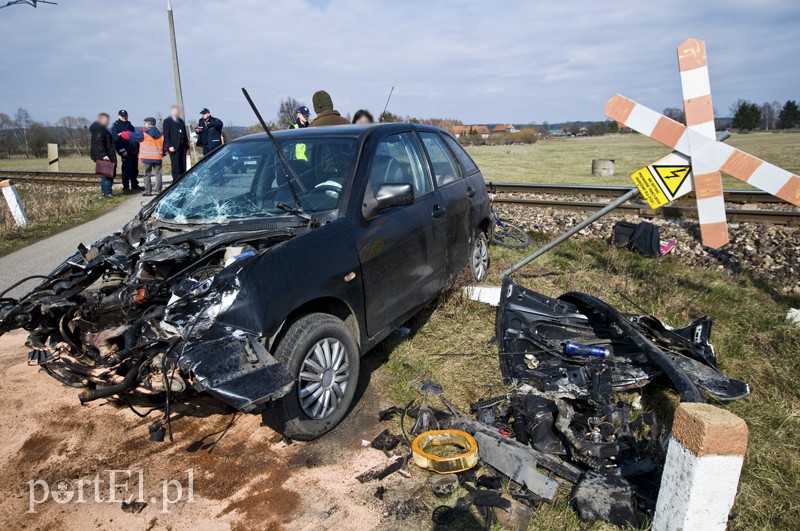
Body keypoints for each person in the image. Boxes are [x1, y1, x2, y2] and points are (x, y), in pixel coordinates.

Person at [118, 117, 165, 197]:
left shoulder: (143, 134)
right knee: (158, 174)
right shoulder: (161, 135)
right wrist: (162, 153)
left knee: (147, 175)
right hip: (157, 158)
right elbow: (165, 146)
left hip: (147, 158)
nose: (145, 124)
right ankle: (158, 191)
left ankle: (148, 191)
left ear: (148, 124)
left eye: (145, 123)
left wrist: (122, 134)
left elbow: (132, 136)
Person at [110, 110, 142, 193]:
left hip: (133, 150)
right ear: (119, 116)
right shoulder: (116, 126)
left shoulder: (130, 125)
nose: (124, 117)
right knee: (126, 170)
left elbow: (135, 137)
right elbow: (116, 140)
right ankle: (126, 187)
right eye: (122, 116)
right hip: (125, 151)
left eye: (125, 115)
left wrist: (137, 148)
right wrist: (121, 150)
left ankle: (134, 185)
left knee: (134, 169)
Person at [89, 113, 117, 198]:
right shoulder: (99, 130)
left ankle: (104, 192)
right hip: (105, 155)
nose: (107, 121)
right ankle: (107, 192)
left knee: (105, 174)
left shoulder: (99, 129)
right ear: (101, 119)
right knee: (108, 173)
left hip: (105, 154)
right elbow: (99, 143)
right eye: (106, 119)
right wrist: (104, 155)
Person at [163, 105, 190, 182]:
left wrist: (187, 145)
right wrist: (170, 145)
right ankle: (176, 179)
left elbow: (184, 133)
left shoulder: (180, 121)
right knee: (176, 163)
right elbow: (166, 134)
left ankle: (183, 177)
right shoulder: (167, 121)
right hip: (174, 146)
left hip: (182, 145)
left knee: (182, 162)